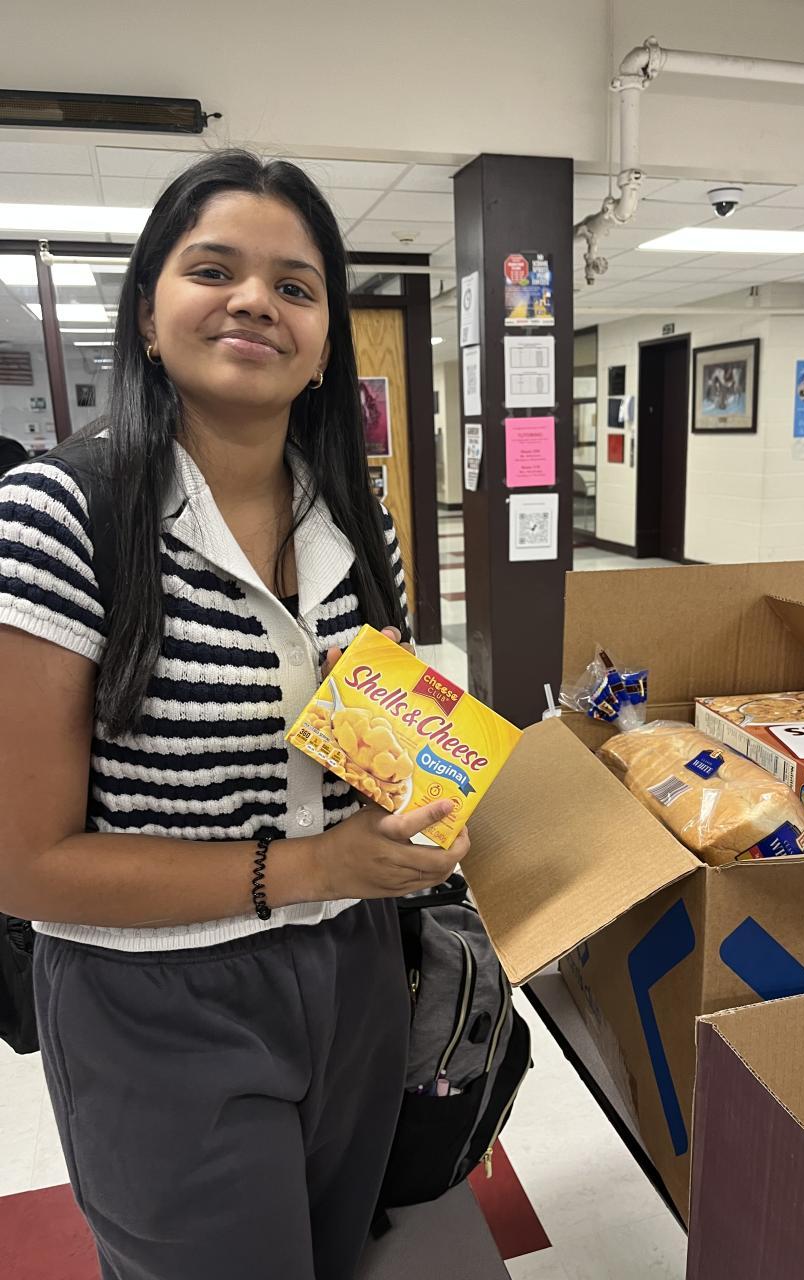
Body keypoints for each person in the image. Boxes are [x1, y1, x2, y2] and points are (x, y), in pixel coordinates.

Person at [0, 150, 468, 1280]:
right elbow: (21, 864)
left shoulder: (356, 521)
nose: (256, 300)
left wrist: (437, 798)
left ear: (323, 346)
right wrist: (311, 866)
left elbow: (387, 746)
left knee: (334, 1254)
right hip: (156, 996)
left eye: (295, 286)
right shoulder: (58, 515)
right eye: (214, 270)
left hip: (355, 969)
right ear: (148, 315)